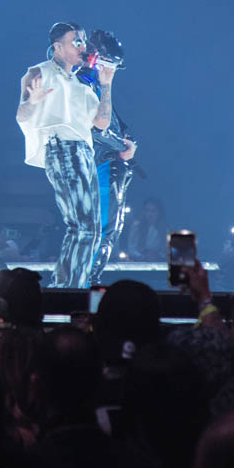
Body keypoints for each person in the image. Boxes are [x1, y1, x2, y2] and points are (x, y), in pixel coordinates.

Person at [16, 22, 115, 287]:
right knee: (82, 226)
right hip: (62, 147)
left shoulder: (81, 84)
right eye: (76, 41)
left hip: (83, 151)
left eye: (83, 41)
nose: (83, 47)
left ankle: (72, 285)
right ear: (57, 47)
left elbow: (101, 122)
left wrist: (106, 84)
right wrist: (32, 101)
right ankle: (65, 287)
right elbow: (22, 114)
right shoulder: (41, 72)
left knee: (92, 229)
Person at [87, 28, 137, 283]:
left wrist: (126, 140)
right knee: (103, 230)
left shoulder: (96, 84)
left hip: (109, 165)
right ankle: (86, 282)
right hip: (103, 165)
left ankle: (87, 281)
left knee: (107, 230)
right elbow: (96, 127)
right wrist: (121, 145)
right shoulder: (87, 82)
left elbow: (113, 123)